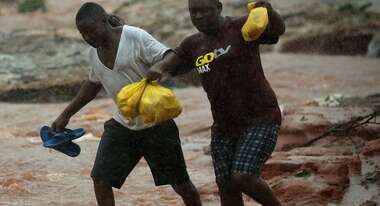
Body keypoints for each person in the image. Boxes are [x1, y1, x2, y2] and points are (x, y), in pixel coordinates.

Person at [51, 2, 202, 206]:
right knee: (101, 178)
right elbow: (93, 84)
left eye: (91, 31)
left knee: (181, 185)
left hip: (157, 125)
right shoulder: (93, 54)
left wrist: (159, 68)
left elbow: (168, 56)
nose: (88, 38)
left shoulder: (134, 36)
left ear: (103, 21)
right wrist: (65, 115)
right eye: (83, 34)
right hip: (123, 125)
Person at [146, 0, 285, 205]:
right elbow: (172, 61)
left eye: (205, 10)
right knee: (226, 186)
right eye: (194, 12)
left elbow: (277, 31)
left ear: (219, 8)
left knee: (243, 176)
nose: (199, 16)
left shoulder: (241, 27)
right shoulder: (192, 44)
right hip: (224, 126)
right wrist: (159, 67)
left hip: (261, 118)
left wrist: (270, 12)